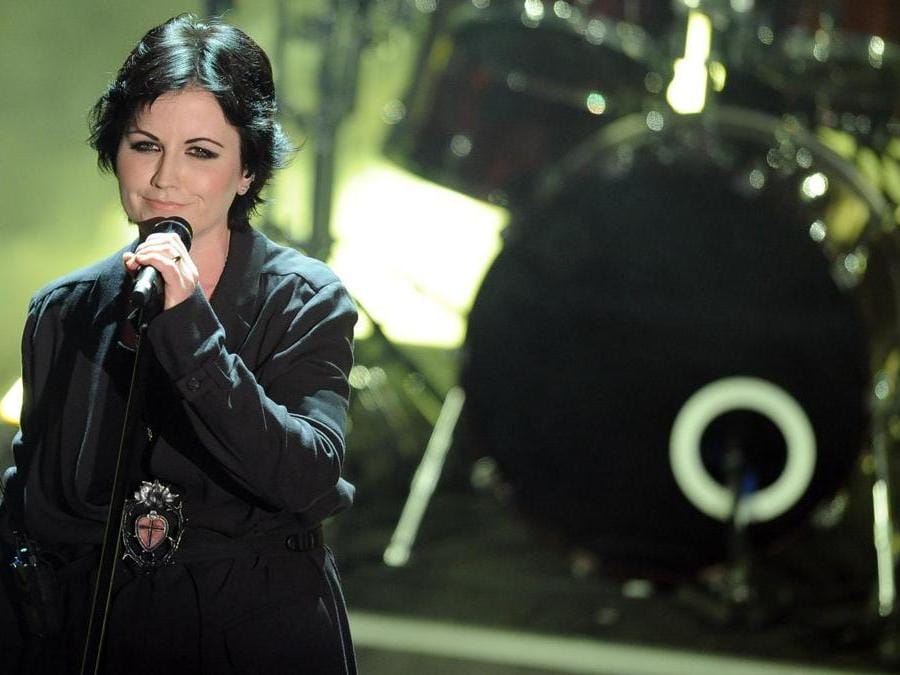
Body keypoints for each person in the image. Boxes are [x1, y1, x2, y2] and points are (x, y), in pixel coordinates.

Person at [0, 14, 358, 674]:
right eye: (144, 144)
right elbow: (32, 512)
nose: (166, 178)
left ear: (247, 169)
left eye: (201, 151)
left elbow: (307, 474)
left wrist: (192, 329)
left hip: (251, 633)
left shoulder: (303, 300)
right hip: (99, 637)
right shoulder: (63, 310)